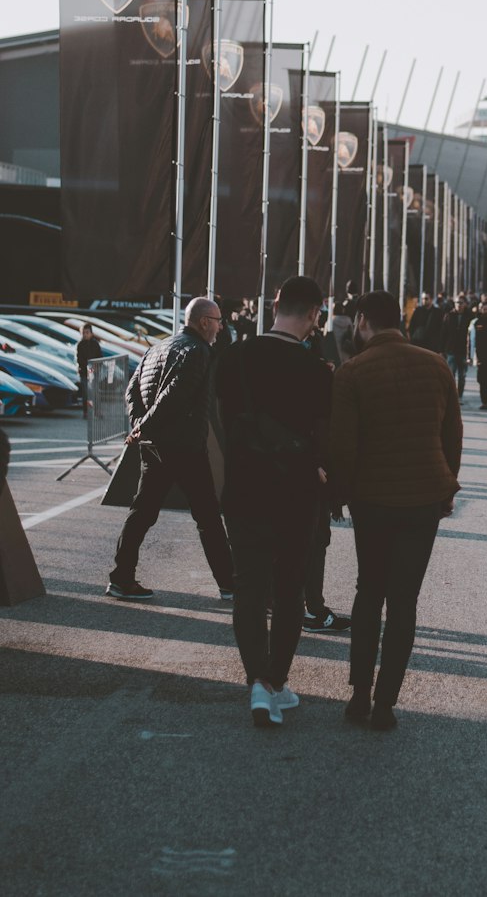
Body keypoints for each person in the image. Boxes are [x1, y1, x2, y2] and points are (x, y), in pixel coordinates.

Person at [331, 290, 462, 731]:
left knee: (369, 591)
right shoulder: (436, 364)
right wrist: (446, 487)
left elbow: (344, 446)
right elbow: (452, 436)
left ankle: (359, 694)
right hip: (423, 498)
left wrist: (340, 494)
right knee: (405, 601)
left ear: (364, 320)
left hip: (372, 499)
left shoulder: (354, 372)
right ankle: (387, 702)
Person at [215, 276, 333, 727]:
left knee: (248, 587)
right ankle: (276, 682)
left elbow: (224, 421)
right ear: (314, 314)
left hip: (244, 487)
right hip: (296, 491)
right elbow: (324, 437)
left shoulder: (236, 356)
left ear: (274, 306)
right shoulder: (315, 370)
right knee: (288, 589)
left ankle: (256, 682)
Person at [107, 298, 234, 601]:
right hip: (185, 445)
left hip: (157, 445)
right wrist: (144, 426)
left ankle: (121, 578)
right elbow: (174, 393)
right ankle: (230, 584)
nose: (220, 326)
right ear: (204, 321)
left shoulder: (157, 348)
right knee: (207, 516)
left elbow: (132, 387)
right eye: (218, 320)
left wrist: (140, 423)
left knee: (142, 512)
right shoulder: (199, 350)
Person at [441, 295, 473, 401]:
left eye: (461, 302)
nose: (459, 305)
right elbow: (443, 333)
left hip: (464, 350)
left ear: (465, 304)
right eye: (457, 303)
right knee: (451, 374)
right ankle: (452, 396)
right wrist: (442, 349)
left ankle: (460, 395)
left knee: (462, 375)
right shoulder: (449, 316)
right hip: (451, 349)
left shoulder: (469, 316)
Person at [75, 323, 102, 409]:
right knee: (86, 392)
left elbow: (99, 357)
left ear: (91, 333)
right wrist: (86, 368)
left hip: (94, 371)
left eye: (87, 332)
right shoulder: (80, 344)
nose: (85, 335)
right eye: (83, 333)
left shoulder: (95, 344)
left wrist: (95, 368)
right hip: (84, 372)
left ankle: (97, 410)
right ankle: (86, 410)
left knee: (95, 392)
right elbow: (79, 359)